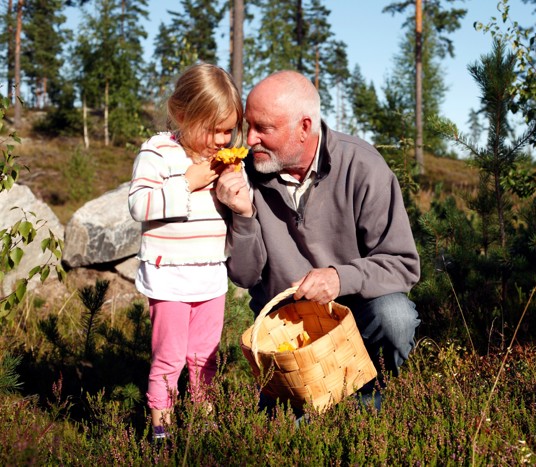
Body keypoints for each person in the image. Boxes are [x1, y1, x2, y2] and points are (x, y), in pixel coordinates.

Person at [215, 69, 420, 412]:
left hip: (357, 315)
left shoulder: (363, 166)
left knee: (396, 316)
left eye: (263, 128)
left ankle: (371, 396)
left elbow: (402, 265)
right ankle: (316, 408)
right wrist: (244, 216)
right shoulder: (244, 174)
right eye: (247, 126)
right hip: (287, 330)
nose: (249, 140)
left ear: (304, 127)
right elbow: (245, 276)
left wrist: (340, 278)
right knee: (283, 436)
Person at [128, 63, 248, 441]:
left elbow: (231, 212)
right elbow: (139, 205)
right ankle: (160, 428)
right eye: (212, 128)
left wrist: (236, 193)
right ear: (182, 114)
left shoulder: (225, 160)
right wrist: (187, 182)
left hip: (211, 275)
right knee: (169, 357)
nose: (221, 139)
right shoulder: (158, 152)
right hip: (170, 276)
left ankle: (205, 421)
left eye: (228, 130)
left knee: (205, 357)